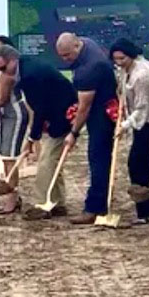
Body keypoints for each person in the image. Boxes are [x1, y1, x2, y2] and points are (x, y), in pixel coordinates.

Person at [0, 47, 78, 221]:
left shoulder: (30, 75)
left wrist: (33, 138)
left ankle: (42, 204)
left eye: (3, 68)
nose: (1, 73)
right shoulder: (25, 68)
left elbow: (39, 108)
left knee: (46, 161)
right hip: (57, 112)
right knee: (52, 159)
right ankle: (58, 203)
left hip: (64, 115)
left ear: (13, 60)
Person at [110, 38, 149, 224]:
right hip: (138, 121)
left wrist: (124, 126)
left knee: (136, 163)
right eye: (116, 59)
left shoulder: (142, 75)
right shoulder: (123, 71)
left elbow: (142, 108)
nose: (119, 63)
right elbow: (123, 95)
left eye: (122, 59)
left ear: (131, 56)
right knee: (144, 164)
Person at [57, 33, 117, 225]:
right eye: (61, 56)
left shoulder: (89, 69)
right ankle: (98, 202)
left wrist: (73, 133)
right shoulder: (87, 43)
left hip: (102, 115)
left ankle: (94, 208)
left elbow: (84, 108)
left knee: (97, 159)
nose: (65, 60)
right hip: (103, 104)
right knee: (98, 159)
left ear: (76, 46)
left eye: (67, 55)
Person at [0, 35, 28, 215]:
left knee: (10, 156)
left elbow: (2, 100)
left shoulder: (7, 72)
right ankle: (11, 195)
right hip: (2, 116)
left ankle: (12, 196)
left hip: (13, 113)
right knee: (4, 155)